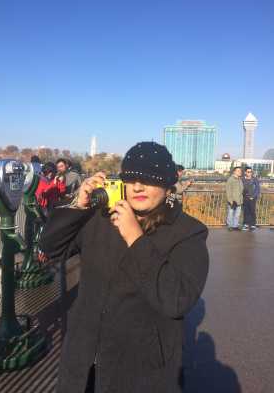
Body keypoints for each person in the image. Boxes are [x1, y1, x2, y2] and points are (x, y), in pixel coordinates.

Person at [39, 142, 209, 393]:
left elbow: (177, 300)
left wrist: (136, 239)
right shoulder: (101, 216)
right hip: (82, 358)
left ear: (167, 185)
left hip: (139, 368)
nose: (138, 187)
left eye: (149, 180)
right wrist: (78, 206)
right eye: (131, 179)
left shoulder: (188, 232)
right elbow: (50, 249)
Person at [225, 166, 243, 231]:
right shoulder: (230, 180)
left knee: (237, 215)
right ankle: (230, 226)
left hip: (239, 201)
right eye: (238, 171)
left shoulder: (240, 180)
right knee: (231, 213)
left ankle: (235, 226)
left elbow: (241, 190)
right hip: (233, 201)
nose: (240, 172)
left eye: (240, 171)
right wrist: (230, 200)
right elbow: (228, 191)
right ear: (234, 172)